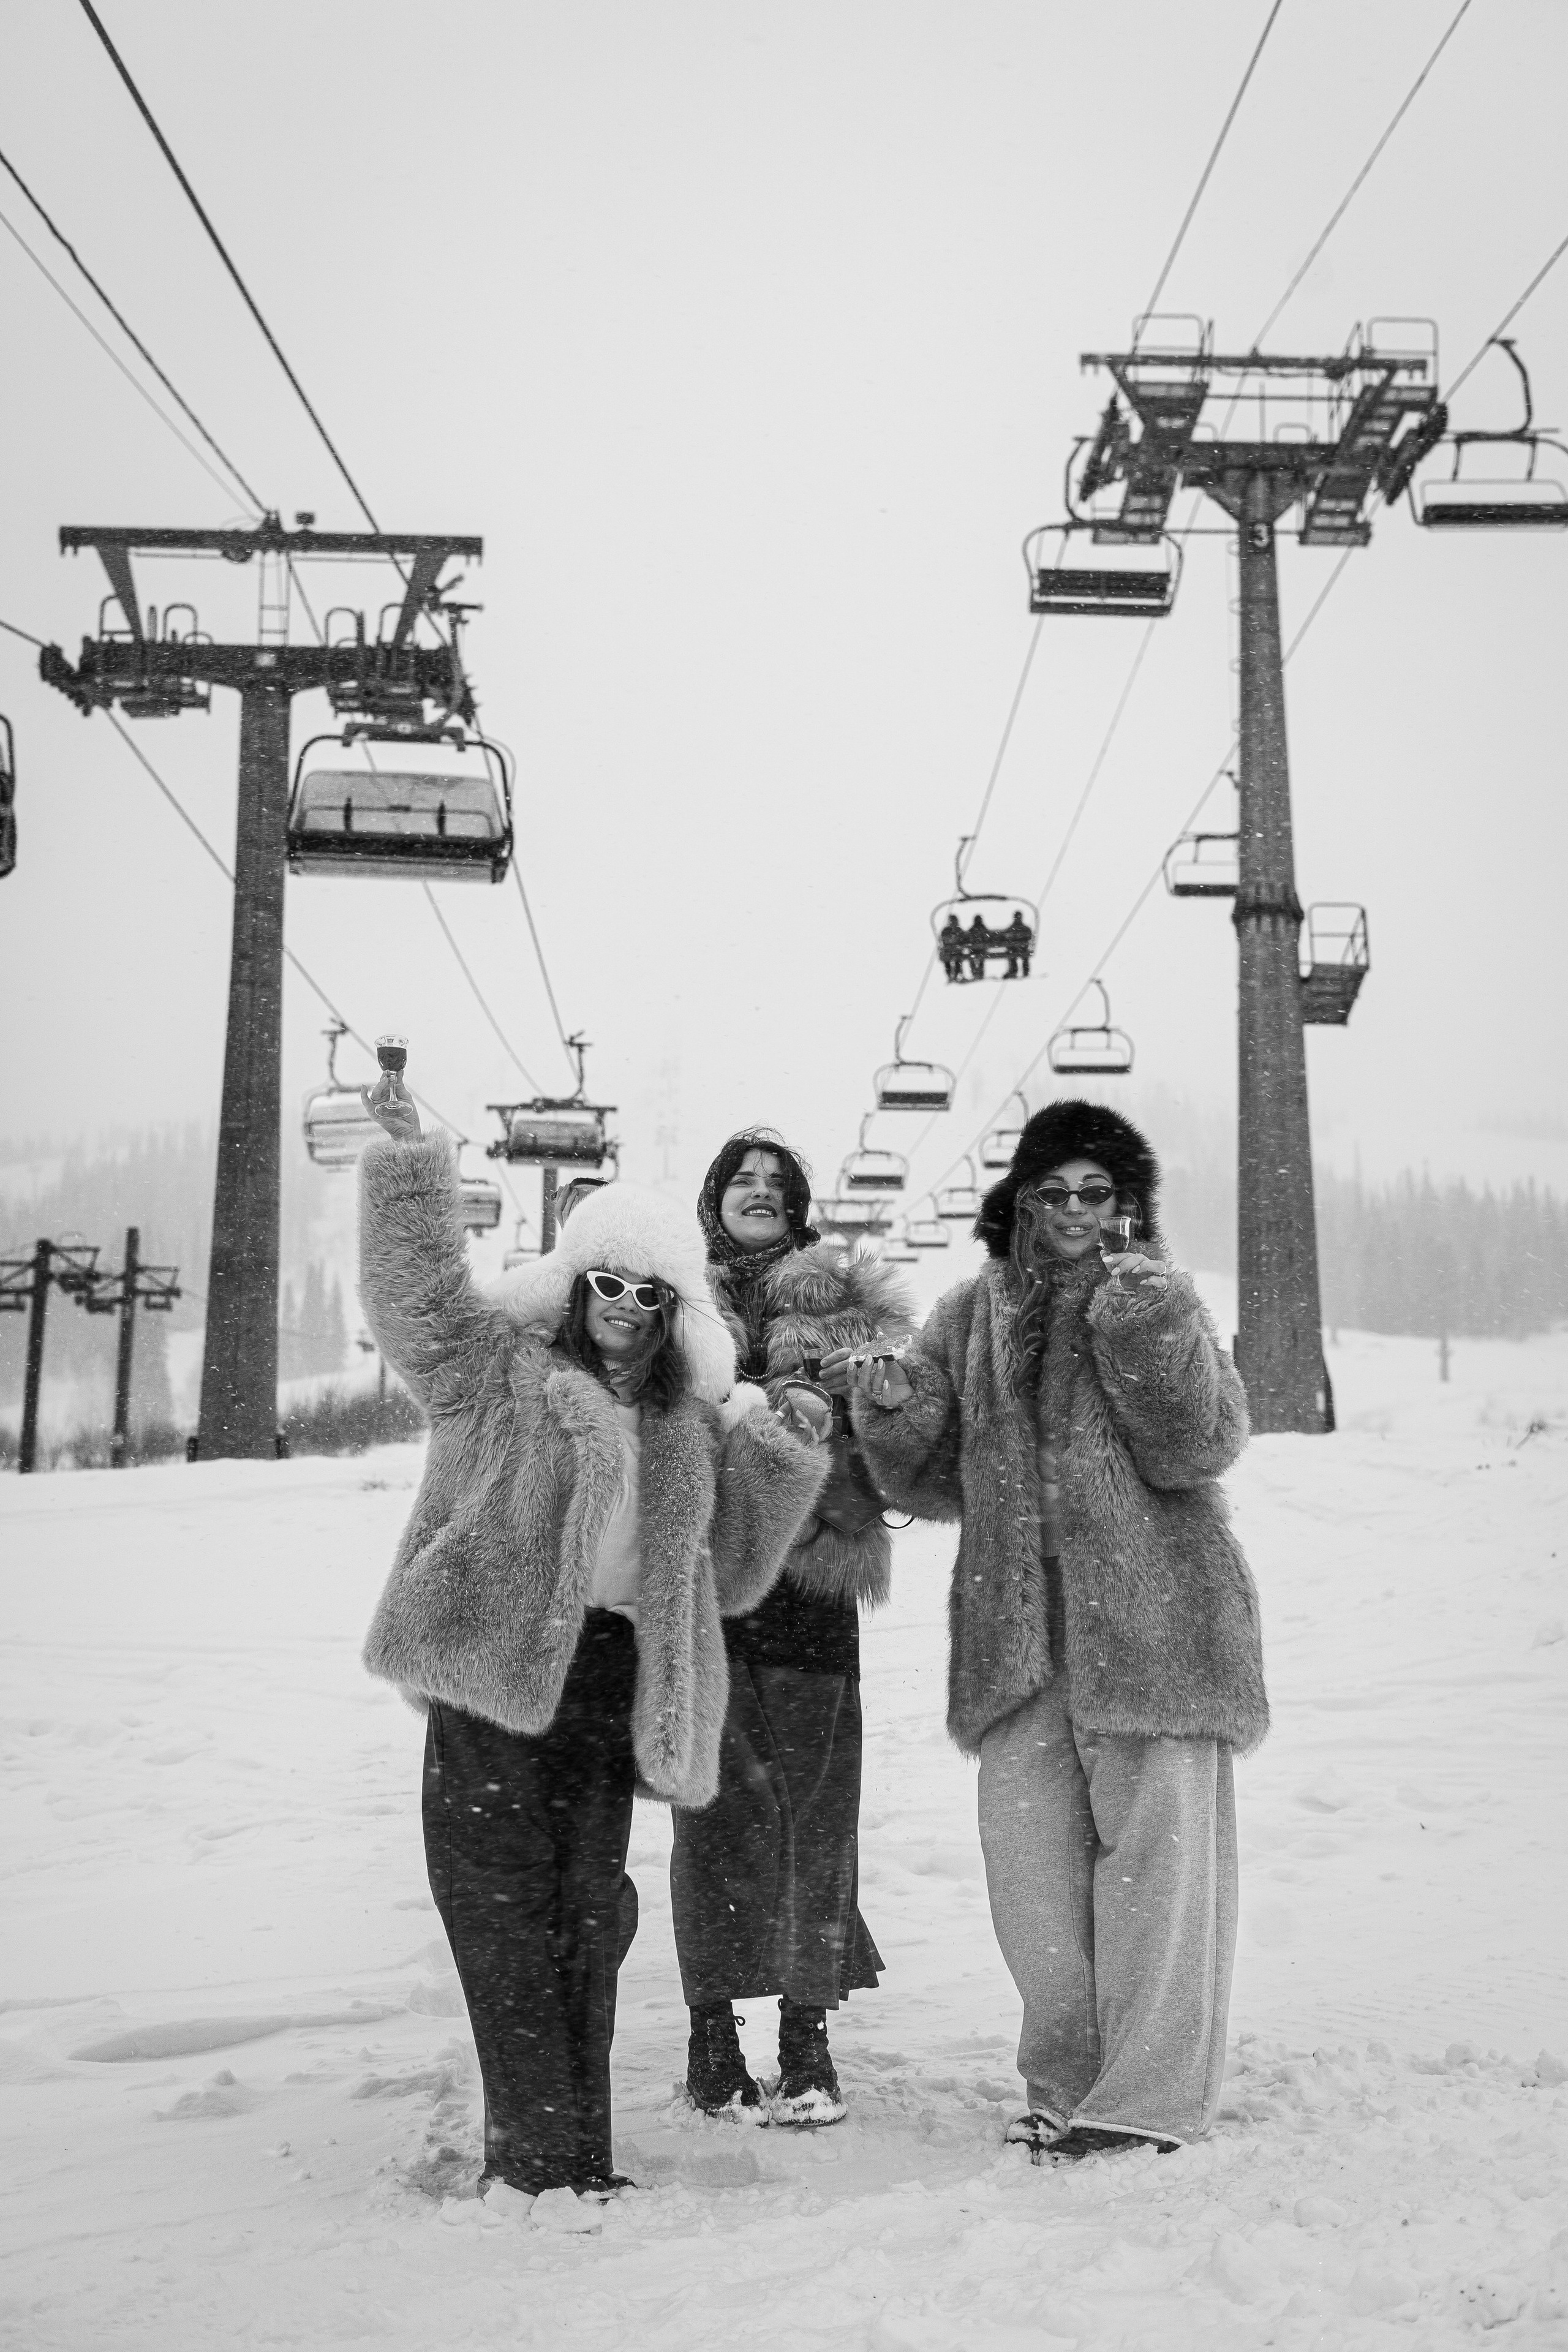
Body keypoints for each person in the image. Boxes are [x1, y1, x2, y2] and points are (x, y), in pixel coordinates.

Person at [356, 1080, 831, 2206]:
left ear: (674, 1312)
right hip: (493, 1670)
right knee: (502, 1909)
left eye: (648, 1292)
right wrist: (414, 1166)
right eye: (608, 1283)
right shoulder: (498, 1374)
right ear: (576, 1287)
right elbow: (415, 1299)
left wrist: (782, 1453)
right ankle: (537, 2155)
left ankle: (576, 2147)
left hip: (608, 1678)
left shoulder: (682, 1426)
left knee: (588, 1912)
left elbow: (733, 1574)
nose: (625, 1305)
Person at [844, 1100, 1265, 2160]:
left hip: (1160, 1626)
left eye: (1097, 1192)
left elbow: (1199, 1447)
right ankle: (1065, 2081)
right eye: (1056, 1191)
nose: (1076, 1210)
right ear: (1023, 1201)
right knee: (1032, 1878)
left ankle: (1146, 2100)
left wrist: (1142, 1320)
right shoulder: (970, 1314)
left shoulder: (1157, 1298)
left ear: (1126, 1203)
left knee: (1158, 1869)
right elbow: (930, 1479)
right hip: (1018, 1631)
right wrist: (893, 1408)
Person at [670, 1131, 916, 2125]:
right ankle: (712, 2036)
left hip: (811, 1583)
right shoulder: (670, 1299)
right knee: (709, 1814)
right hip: (704, 1582)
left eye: (778, 1184)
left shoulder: (849, 1307)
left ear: (801, 1206)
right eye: (743, 1180)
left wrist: (863, 1412)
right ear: (714, 1197)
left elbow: (902, 1436)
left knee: (817, 1813)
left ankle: (807, 2037)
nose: (760, 1193)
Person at [1003, 910, 1033, 979]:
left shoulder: (1010, 929)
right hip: (1023, 949)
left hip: (1013, 950)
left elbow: (1006, 938)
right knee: (1024, 956)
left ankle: (1014, 970)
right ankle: (1026, 971)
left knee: (1012, 954)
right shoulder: (1026, 929)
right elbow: (1030, 937)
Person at [939, 914, 965, 983]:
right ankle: (956, 975)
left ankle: (950, 976)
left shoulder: (945, 930)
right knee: (958, 961)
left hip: (947, 952)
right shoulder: (959, 930)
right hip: (957, 952)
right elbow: (964, 940)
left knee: (947, 962)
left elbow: (942, 941)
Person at [965, 913, 992, 981]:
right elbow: (987, 938)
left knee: (972, 958)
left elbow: (968, 938)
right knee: (981, 959)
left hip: (974, 950)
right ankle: (980, 973)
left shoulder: (972, 929)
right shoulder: (983, 929)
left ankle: (975, 973)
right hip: (981, 950)